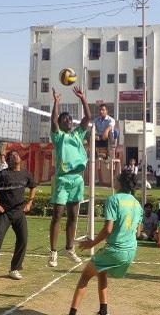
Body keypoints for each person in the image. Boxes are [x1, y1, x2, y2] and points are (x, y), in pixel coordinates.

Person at [68, 169, 142, 315]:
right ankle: (103, 311)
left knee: (85, 276)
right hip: (131, 251)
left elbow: (108, 229)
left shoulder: (113, 200)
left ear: (120, 183)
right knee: (101, 271)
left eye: (116, 178)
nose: (114, 180)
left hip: (116, 250)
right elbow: (138, 232)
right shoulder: (137, 204)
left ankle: (72, 313)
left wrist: (92, 243)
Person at [48, 86, 91, 267]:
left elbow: (87, 118)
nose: (68, 120)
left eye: (70, 119)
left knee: (73, 216)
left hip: (77, 179)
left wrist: (82, 98)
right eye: (64, 119)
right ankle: (53, 252)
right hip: (63, 179)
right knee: (57, 214)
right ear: (60, 123)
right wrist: (56, 102)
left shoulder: (77, 135)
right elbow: (53, 121)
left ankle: (69, 248)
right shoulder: (59, 137)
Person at [0, 150, 37, 288]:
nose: (15, 156)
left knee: (23, 239)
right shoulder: (3, 174)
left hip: (19, 212)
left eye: (16, 154)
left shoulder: (25, 173)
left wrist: (29, 202)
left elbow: (33, 187)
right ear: (8, 161)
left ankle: (14, 269)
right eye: (12, 156)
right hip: (4, 213)